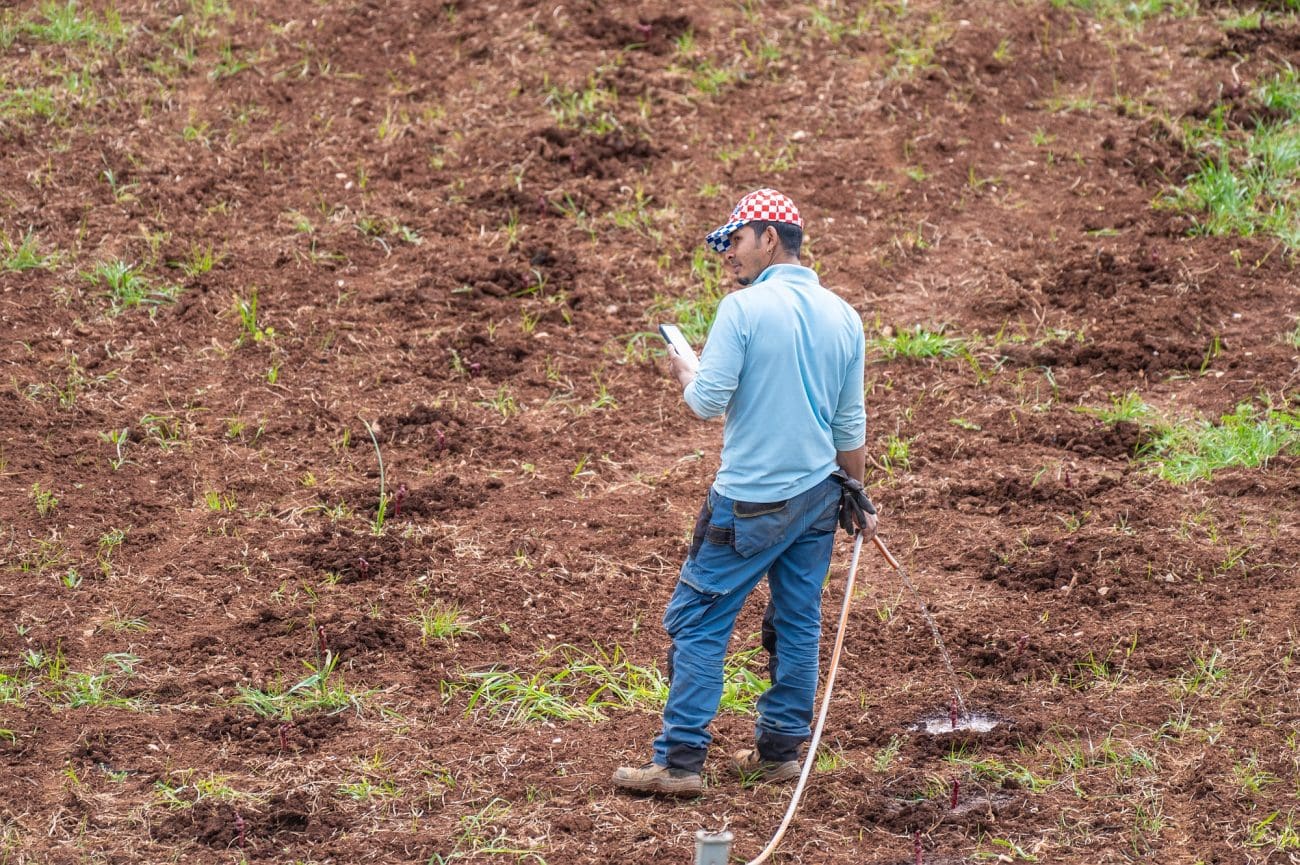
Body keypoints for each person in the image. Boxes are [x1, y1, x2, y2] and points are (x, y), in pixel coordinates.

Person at [612, 189, 878, 796]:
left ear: (770, 237)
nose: (729, 252)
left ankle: (679, 762)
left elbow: (707, 402)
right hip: (818, 496)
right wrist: (855, 492)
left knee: (700, 621)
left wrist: (688, 370)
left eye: (735, 239)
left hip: (748, 502)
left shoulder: (743, 309)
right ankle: (782, 751)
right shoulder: (844, 315)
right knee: (797, 622)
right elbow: (849, 424)